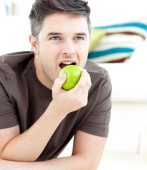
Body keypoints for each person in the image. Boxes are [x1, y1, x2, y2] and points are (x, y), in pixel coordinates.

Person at [0, 0, 112, 169]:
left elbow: (87, 162)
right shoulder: (4, 76)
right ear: (35, 44)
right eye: (55, 37)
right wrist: (58, 109)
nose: (69, 50)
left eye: (79, 38)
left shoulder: (98, 82)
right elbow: (6, 155)